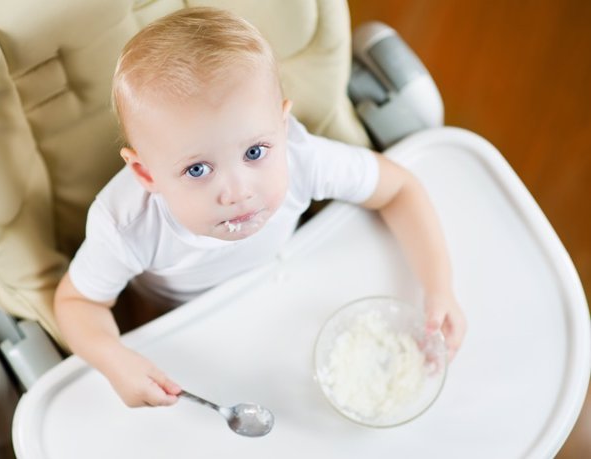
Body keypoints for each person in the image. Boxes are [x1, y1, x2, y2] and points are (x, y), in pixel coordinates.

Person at [54, 6, 466, 409]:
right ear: (146, 175)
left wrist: (438, 286)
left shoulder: (300, 159)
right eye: (197, 169)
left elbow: (399, 189)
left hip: (291, 291)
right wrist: (114, 359)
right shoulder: (126, 224)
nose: (237, 191)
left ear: (282, 129)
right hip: (184, 315)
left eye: (254, 151)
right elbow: (77, 304)